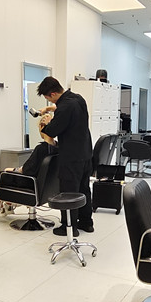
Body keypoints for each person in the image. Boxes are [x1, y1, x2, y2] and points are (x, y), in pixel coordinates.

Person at [36, 76, 94, 236]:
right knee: (84, 189)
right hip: (86, 154)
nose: (49, 101)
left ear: (53, 94)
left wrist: (45, 123)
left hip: (71, 157)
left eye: (48, 98)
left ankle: (69, 227)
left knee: (69, 192)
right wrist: (50, 109)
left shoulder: (64, 108)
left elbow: (52, 131)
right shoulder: (78, 99)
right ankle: (87, 223)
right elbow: (65, 109)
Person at [0, 114, 58, 218]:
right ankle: (8, 206)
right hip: (46, 187)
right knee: (6, 171)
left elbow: (27, 171)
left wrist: (15, 169)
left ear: (42, 127)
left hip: (31, 184)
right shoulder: (57, 147)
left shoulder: (41, 149)